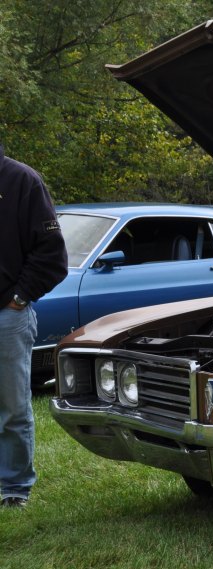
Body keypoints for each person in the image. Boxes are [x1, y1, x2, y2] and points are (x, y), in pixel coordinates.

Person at [1, 144, 68, 509]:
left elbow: (52, 253)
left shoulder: (21, 180)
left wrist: (20, 298)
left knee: (11, 407)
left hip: (7, 316)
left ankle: (14, 488)